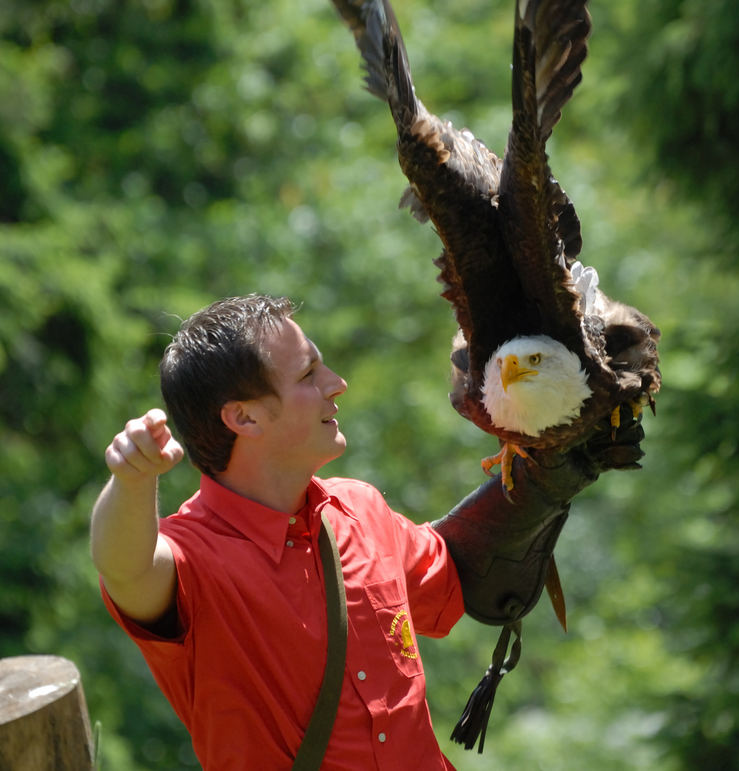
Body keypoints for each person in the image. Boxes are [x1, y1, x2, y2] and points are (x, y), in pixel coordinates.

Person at [91, 293, 645, 769]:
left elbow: (464, 570)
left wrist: (541, 460)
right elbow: (125, 566)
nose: (337, 384)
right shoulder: (192, 559)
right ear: (246, 418)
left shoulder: (360, 509)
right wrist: (131, 480)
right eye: (309, 374)